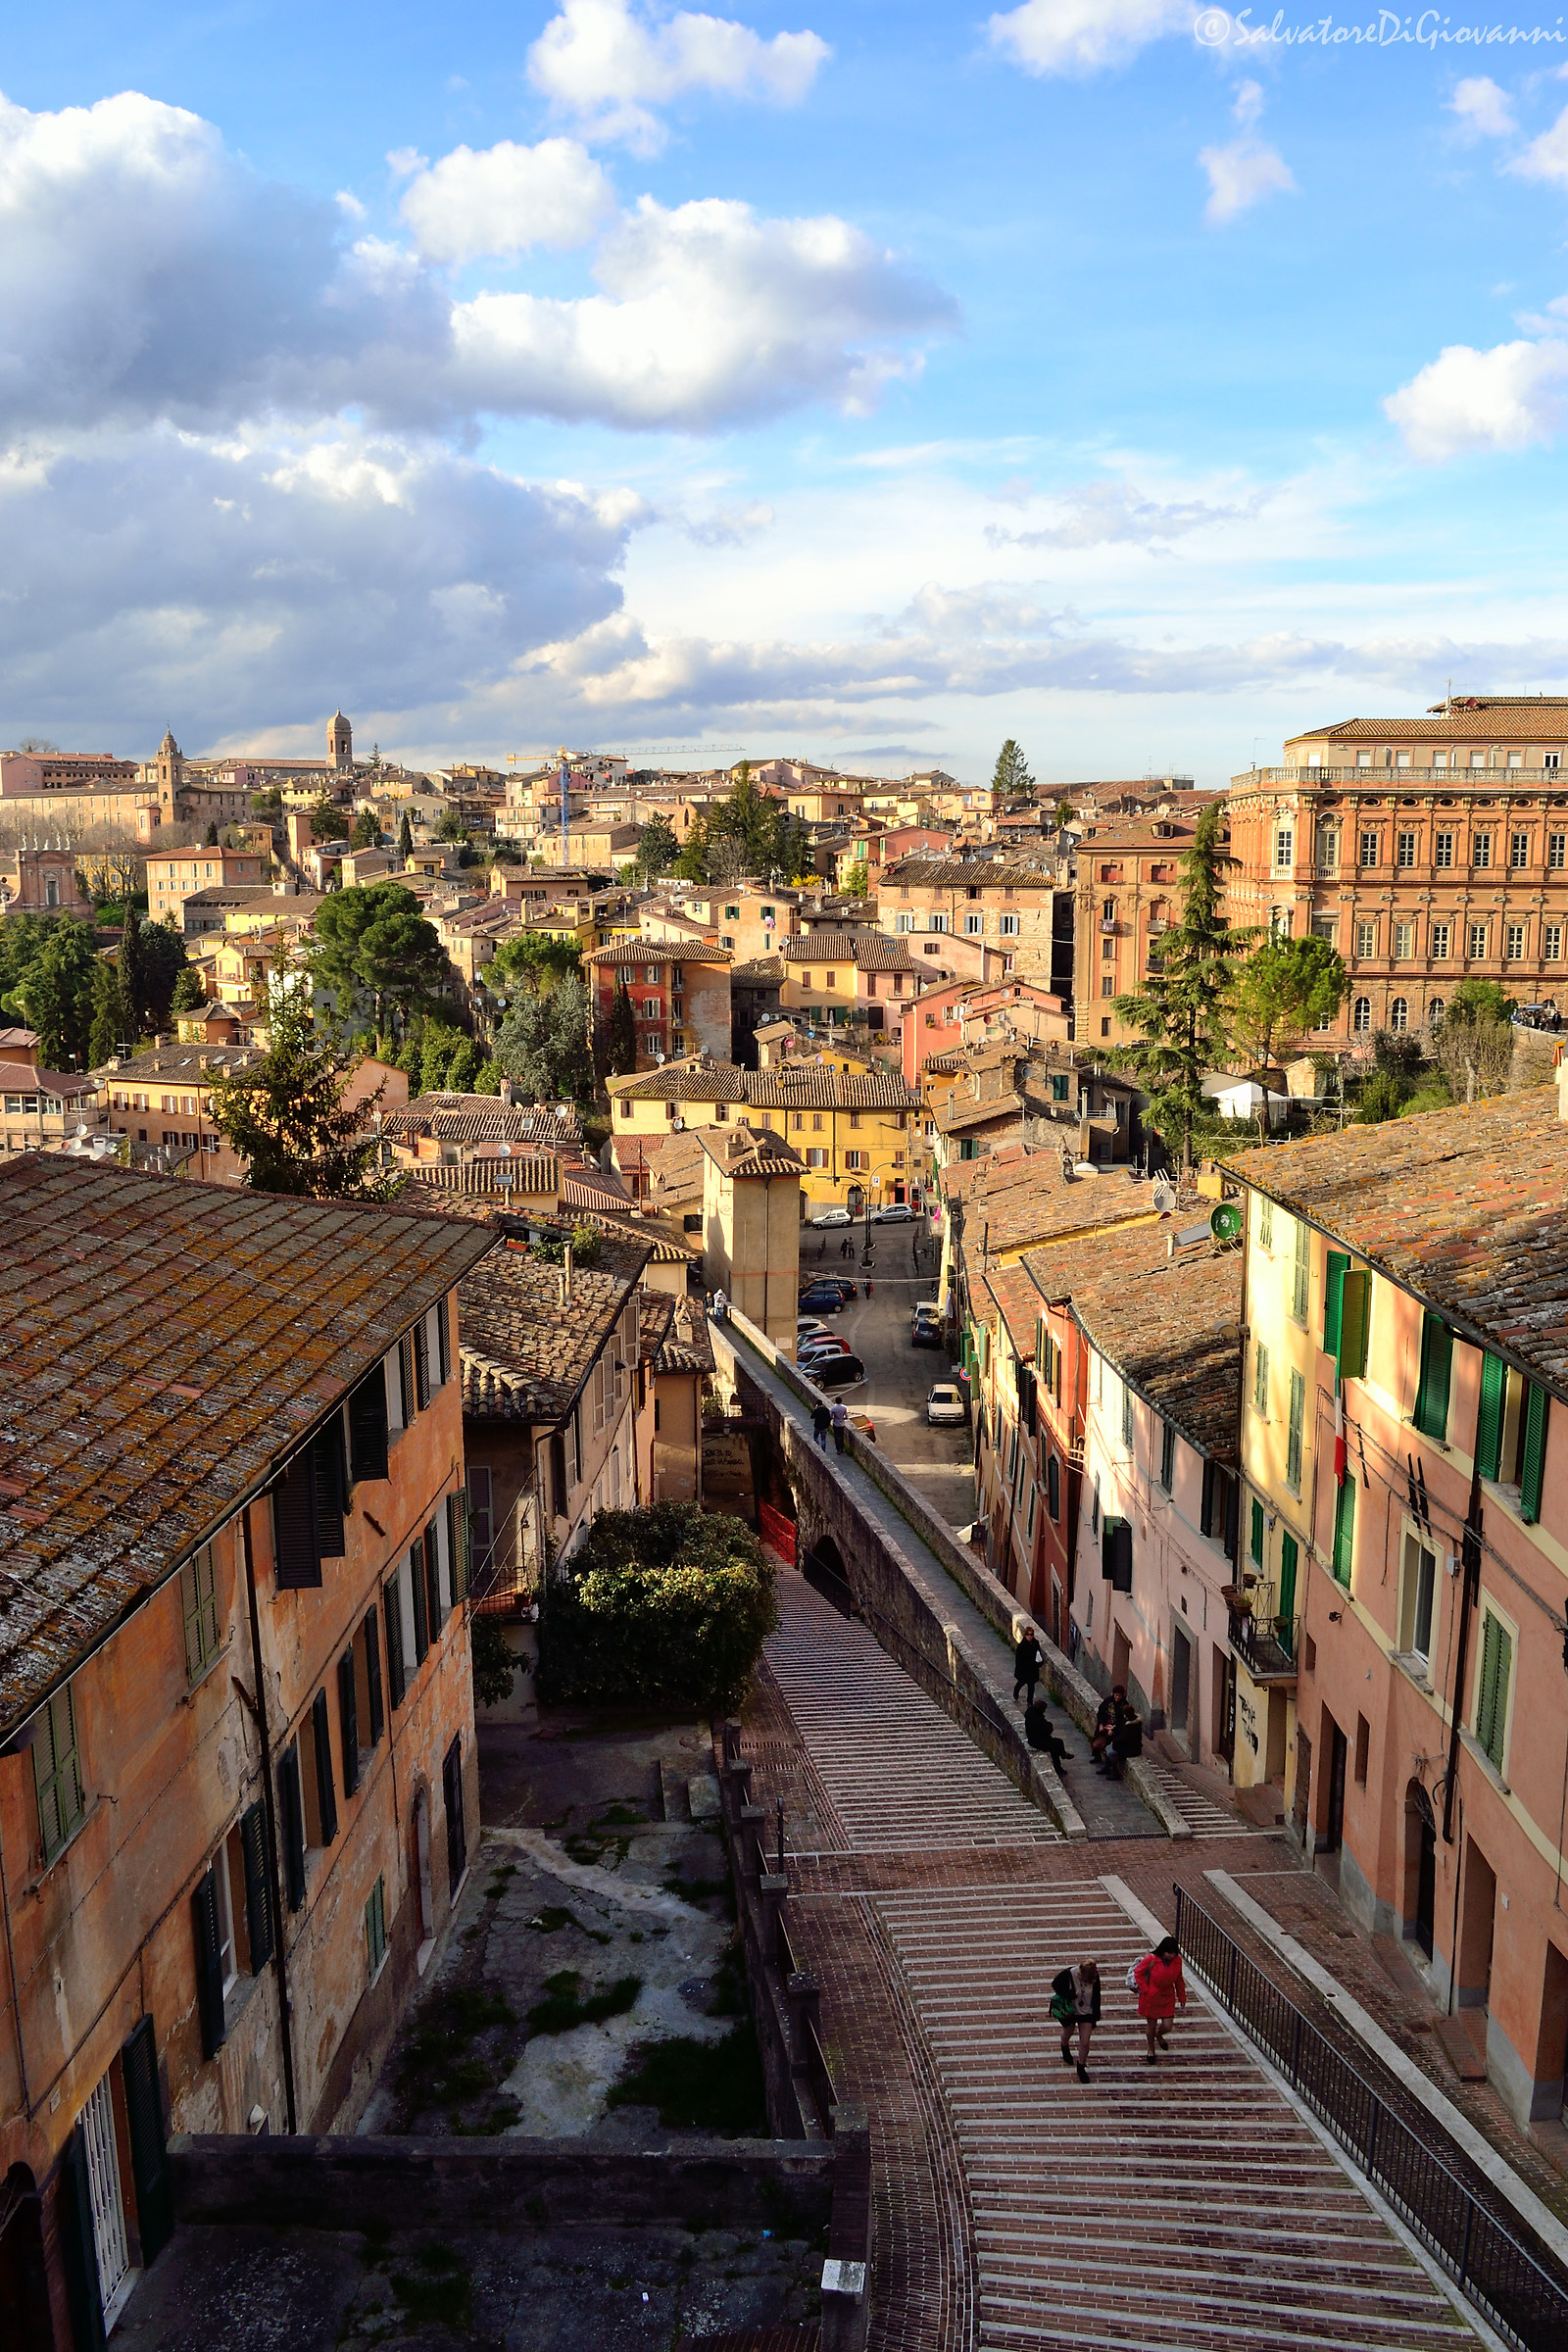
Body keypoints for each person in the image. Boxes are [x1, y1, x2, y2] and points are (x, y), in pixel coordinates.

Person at [1133, 1936, 1187, 2064]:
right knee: (1151, 2025)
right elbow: (1138, 1973)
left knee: (1168, 2025)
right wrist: (1146, 1990)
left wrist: (1182, 1996)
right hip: (1152, 1996)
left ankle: (1159, 2034)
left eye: (1174, 1953)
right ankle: (1151, 2049)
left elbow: (1179, 1979)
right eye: (1169, 1953)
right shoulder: (1151, 1959)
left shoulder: (1177, 1961)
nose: (1171, 1956)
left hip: (1167, 1996)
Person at [1051, 1961, 1101, 2082]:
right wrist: (1071, 1995)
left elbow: (1097, 1996)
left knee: (1085, 2042)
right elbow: (1056, 1986)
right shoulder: (1068, 1974)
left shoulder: (1094, 1976)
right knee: (1068, 2031)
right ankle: (1064, 2045)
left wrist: (1095, 2016)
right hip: (1070, 2010)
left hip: (1086, 2011)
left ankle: (1081, 2066)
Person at [1024, 1698, 1071, 1769]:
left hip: (1033, 1739)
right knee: (1057, 1745)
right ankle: (1060, 1762)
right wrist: (1049, 1725)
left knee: (1056, 1744)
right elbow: (1048, 1729)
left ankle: (1063, 1756)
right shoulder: (1038, 1720)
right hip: (1039, 1742)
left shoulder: (1030, 1713)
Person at [1104, 1696, 1144, 1780]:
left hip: (1132, 1750)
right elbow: (1120, 1728)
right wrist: (1113, 1729)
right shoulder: (1128, 1721)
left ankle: (1115, 1774)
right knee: (1109, 1747)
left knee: (1111, 1752)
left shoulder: (1132, 1726)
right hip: (1127, 1747)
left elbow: (1125, 1739)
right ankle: (1107, 1768)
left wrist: (1114, 1742)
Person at [1090, 1684, 1125, 1765]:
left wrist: (1113, 1728)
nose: (1117, 1697)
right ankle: (1097, 1757)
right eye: (1116, 1695)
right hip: (1105, 1724)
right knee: (1097, 1738)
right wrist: (1101, 1724)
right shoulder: (1108, 1701)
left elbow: (1122, 1721)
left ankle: (1107, 1765)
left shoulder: (1124, 1705)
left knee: (1108, 1743)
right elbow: (1101, 1712)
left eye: (1119, 1696)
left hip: (1114, 1728)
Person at [1013, 1627, 1045, 1709]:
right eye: (1028, 1635)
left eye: (1031, 1634)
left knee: (1031, 1686)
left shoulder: (1035, 1643)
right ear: (1025, 1635)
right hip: (1024, 1669)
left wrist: (1040, 1663)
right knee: (1021, 1682)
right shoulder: (1021, 1646)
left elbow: (1039, 1654)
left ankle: (1029, 1701)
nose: (1030, 1636)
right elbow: (1018, 1659)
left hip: (1033, 1669)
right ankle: (1016, 1692)